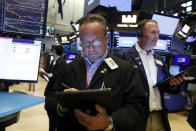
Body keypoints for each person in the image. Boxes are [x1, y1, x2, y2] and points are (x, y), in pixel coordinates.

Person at [45, 14, 148, 131]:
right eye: (85, 43)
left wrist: (110, 122)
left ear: (106, 38)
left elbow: (139, 109)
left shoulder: (127, 71)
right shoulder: (68, 69)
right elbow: (50, 99)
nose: (91, 48)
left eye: (96, 42)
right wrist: (62, 105)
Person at [117, 19, 184, 131]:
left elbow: (166, 84)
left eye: (158, 33)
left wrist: (174, 84)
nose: (157, 36)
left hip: (159, 116)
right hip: (136, 117)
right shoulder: (124, 56)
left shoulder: (159, 58)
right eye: (153, 32)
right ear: (140, 34)